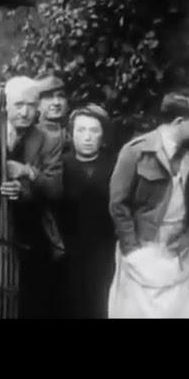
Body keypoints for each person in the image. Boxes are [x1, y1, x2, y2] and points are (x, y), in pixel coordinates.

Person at [107, 88, 189, 318]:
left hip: (187, 253)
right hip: (144, 251)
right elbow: (118, 204)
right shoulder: (136, 152)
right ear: (179, 121)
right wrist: (133, 252)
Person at [0, 76, 64, 318]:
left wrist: (27, 173)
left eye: (31, 105)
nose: (25, 112)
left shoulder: (47, 139)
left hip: (31, 230)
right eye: (18, 105)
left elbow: (55, 189)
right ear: (6, 104)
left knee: (32, 302)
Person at [59, 104, 117, 318]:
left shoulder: (115, 164)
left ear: (103, 136)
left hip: (106, 251)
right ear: (71, 134)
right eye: (81, 130)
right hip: (68, 252)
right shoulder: (61, 164)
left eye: (94, 131)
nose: (87, 137)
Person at [34, 72, 70, 153]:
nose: (56, 102)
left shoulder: (75, 131)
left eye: (61, 96)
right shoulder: (32, 136)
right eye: (48, 97)